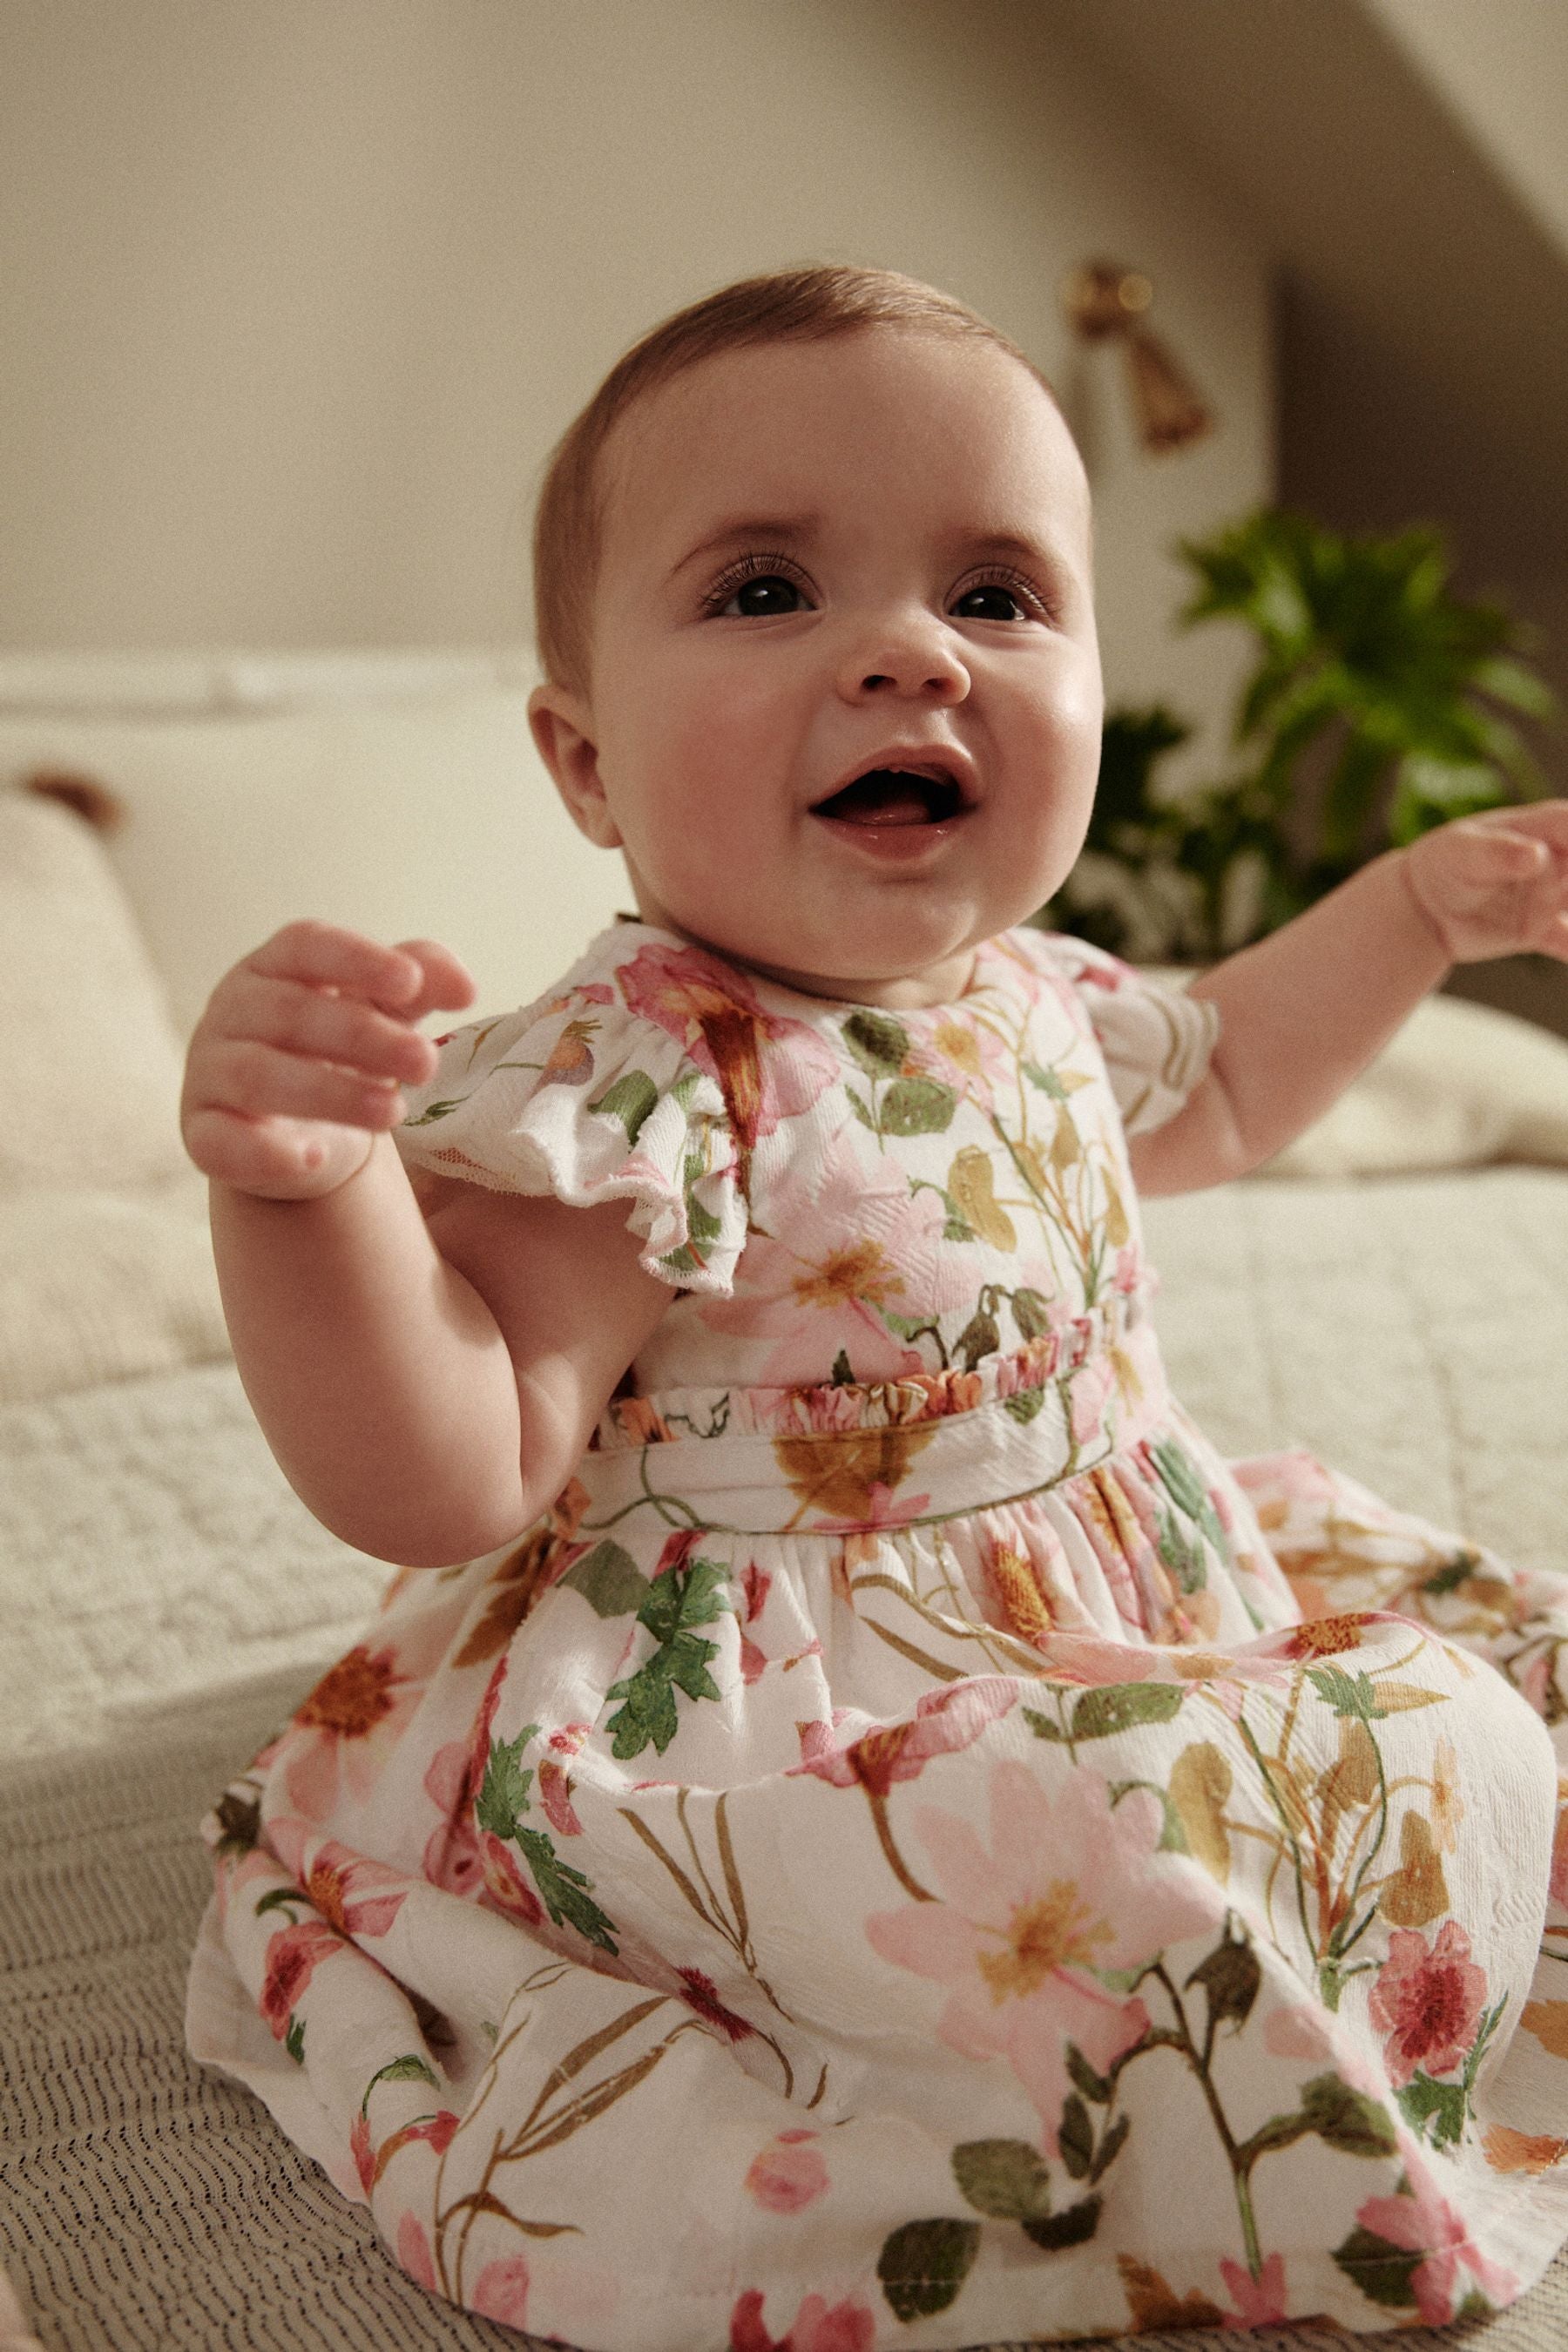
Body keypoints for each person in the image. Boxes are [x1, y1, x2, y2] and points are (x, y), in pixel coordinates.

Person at [182, 266, 1568, 2351]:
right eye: (762, 591)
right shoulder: (651, 1073)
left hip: (1117, 1573)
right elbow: (450, 1463)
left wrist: (1405, 915)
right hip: (798, 1697)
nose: (913, 652)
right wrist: (302, 1198)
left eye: (1001, 596)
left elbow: (1231, 1083)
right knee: (1119, 1843)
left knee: (1498, 1674)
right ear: (584, 761)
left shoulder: (1019, 990)